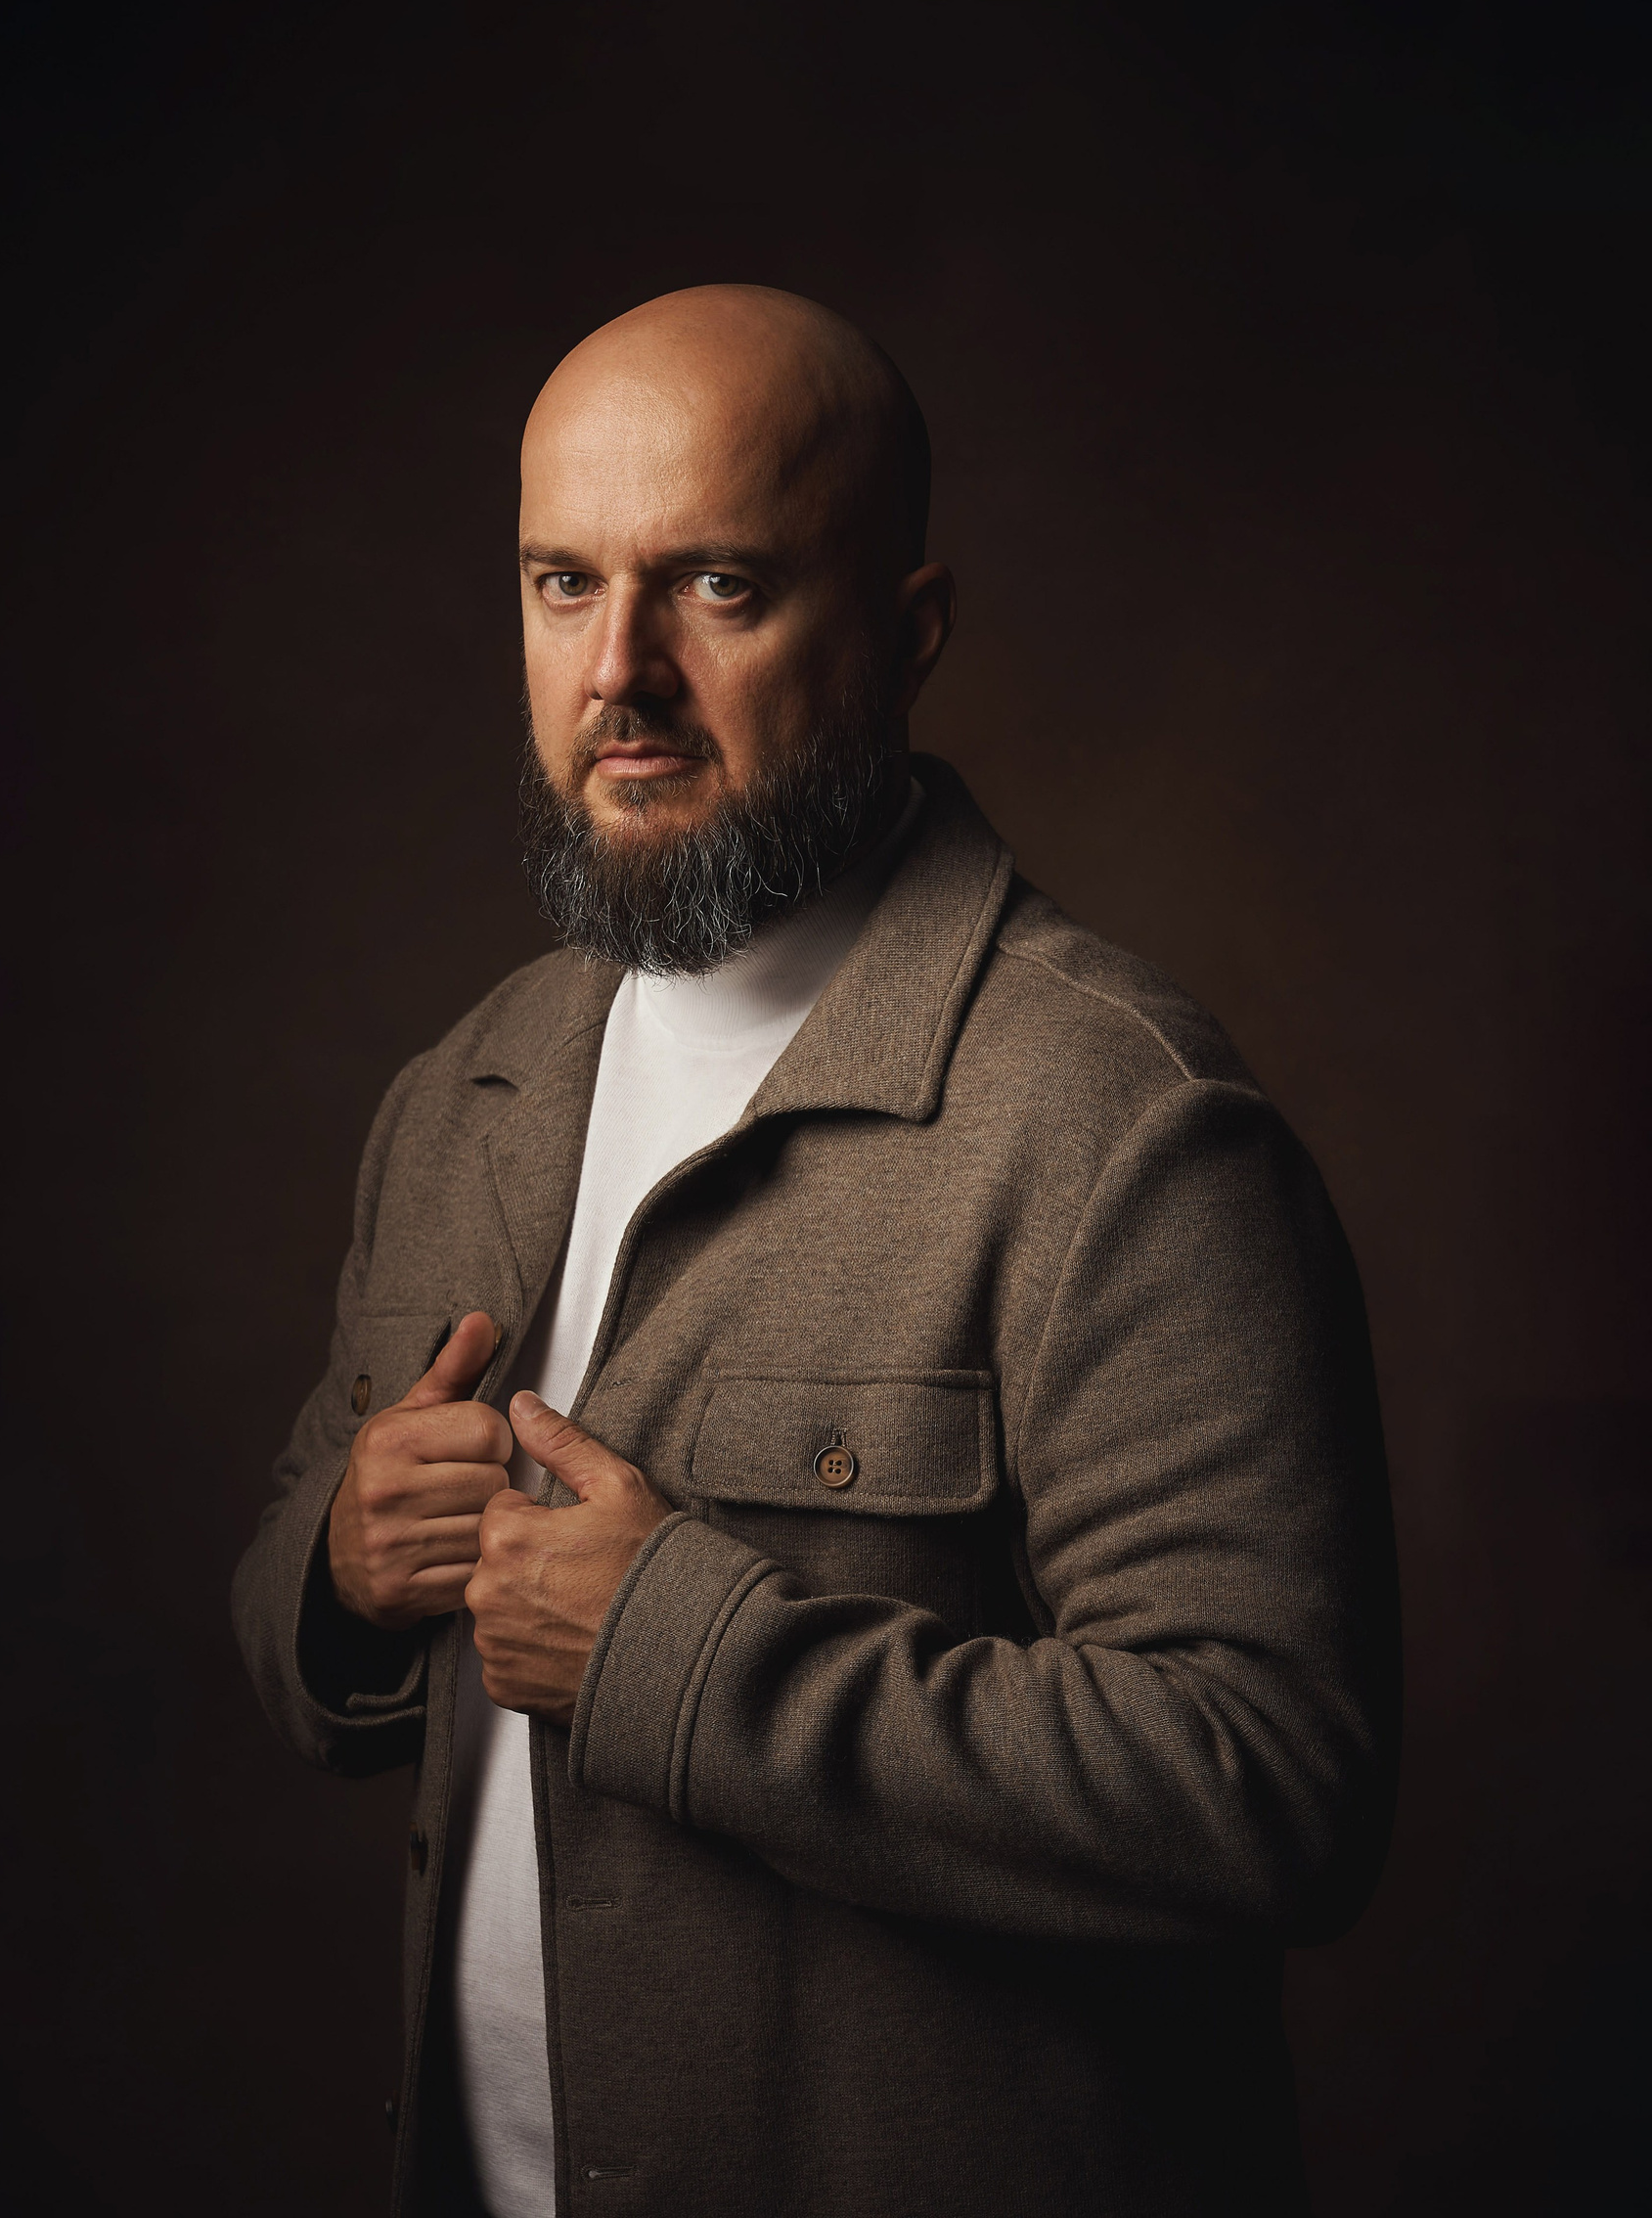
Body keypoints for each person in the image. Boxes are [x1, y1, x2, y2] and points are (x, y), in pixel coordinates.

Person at [232, 285, 1400, 2218]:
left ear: (907, 630)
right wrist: (347, 1573)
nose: (620, 673)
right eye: (562, 585)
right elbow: (301, 1617)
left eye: (718, 588)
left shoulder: (1119, 1123)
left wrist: (680, 1656)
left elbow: (1272, 1785)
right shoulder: (464, 1095)